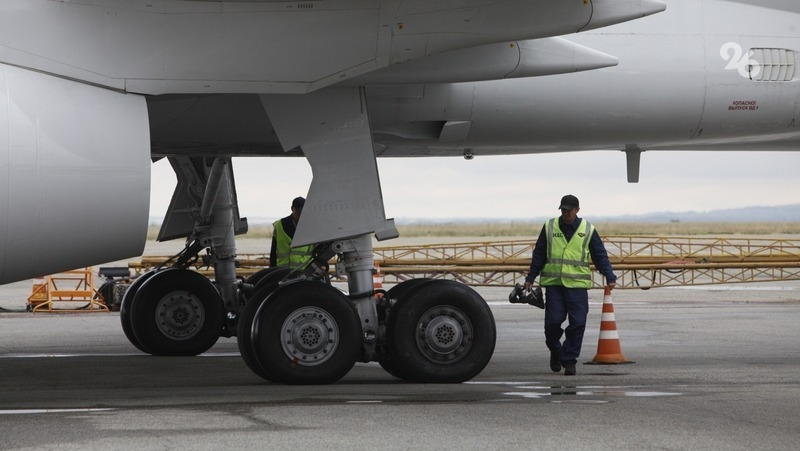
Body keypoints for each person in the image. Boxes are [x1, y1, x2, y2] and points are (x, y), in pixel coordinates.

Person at [523, 194, 617, 376]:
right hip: (554, 285)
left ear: (577, 210)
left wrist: (609, 275)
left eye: (568, 210)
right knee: (553, 323)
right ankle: (555, 350)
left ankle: (569, 359)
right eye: (563, 209)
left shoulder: (587, 229)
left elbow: (599, 254)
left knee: (578, 323)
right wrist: (531, 277)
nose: (565, 213)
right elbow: (539, 253)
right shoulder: (550, 227)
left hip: (578, 287)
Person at [269, 196, 314, 268]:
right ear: (292, 208)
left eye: (302, 211)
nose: (300, 214)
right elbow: (273, 252)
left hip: (304, 272)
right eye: (298, 211)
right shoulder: (279, 226)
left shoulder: (311, 227)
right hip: (282, 272)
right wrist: (271, 271)